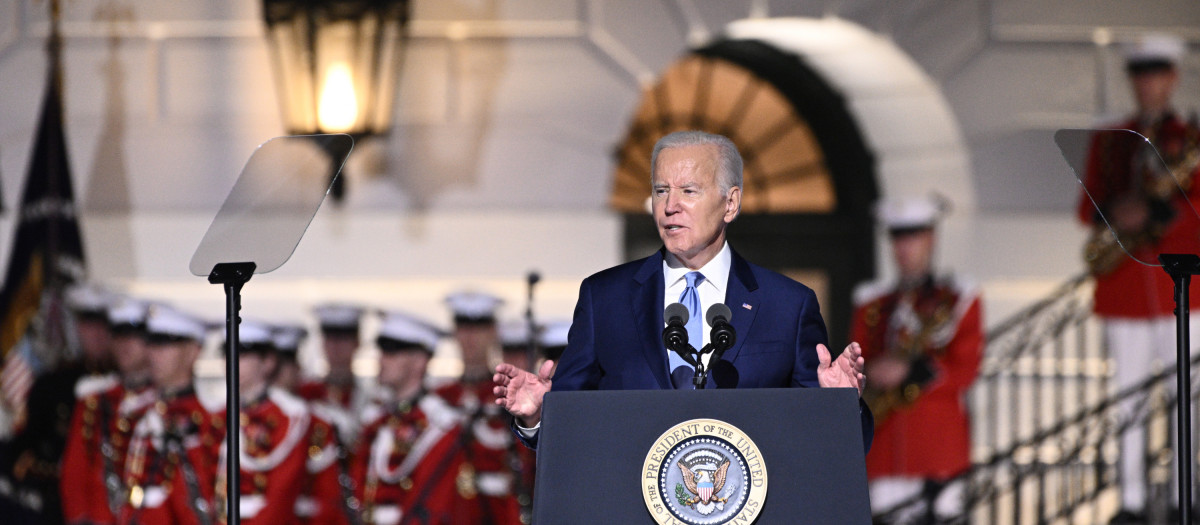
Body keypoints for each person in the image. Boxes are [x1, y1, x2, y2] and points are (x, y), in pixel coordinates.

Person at [493, 130, 869, 449]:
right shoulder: (604, 298)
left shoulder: (787, 305)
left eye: (688, 191)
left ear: (731, 203)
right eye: (660, 191)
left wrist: (839, 406)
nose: (670, 206)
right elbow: (571, 431)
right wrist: (541, 417)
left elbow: (835, 446)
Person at [1074, 33, 1200, 523]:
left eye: (1156, 74)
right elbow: (1087, 206)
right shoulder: (1110, 140)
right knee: (1127, 401)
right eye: (1139, 74)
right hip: (1125, 288)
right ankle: (1128, 501)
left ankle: (1184, 497)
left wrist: (1155, 209)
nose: (1147, 84)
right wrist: (1116, 211)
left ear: (1173, 77)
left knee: (1184, 399)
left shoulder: (1190, 138)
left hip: (1183, 289)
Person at [851, 196, 982, 524]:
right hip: (884, 448)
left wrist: (910, 370)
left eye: (913, 237)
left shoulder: (960, 297)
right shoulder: (872, 302)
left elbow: (965, 369)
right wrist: (872, 370)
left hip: (938, 446)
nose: (904, 248)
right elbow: (856, 361)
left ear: (931, 239)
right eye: (897, 238)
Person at [354, 311, 520, 524]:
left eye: (393, 352)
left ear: (419, 362)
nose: (381, 360)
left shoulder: (444, 424)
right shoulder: (375, 421)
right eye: (382, 351)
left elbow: (442, 504)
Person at [1, 282, 115, 525]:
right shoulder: (53, 385)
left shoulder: (129, 391)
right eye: (86, 323)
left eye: (101, 324)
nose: (94, 333)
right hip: (56, 504)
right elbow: (27, 444)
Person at [115, 305, 222, 525]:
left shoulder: (213, 419)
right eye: (152, 344)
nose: (154, 355)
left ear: (193, 350)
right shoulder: (134, 411)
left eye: (165, 345)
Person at [61, 296, 157, 525]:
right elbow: (75, 473)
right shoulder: (95, 399)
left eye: (133, 336)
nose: (125, 345)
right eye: (118, 335)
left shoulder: (167, 405)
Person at [212, 320, 310, 524]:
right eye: (227, 353)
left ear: (268, 362)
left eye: (244, 354)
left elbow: (283, 493)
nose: (233, 360)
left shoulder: (289, 415)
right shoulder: (217, 417)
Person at [300, 303, 367, 447]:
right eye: (330, 339)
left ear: (357, 342)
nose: (336, 347)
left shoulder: (375, 396)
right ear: (323, 343)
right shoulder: (305, 394)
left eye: (343, 339)